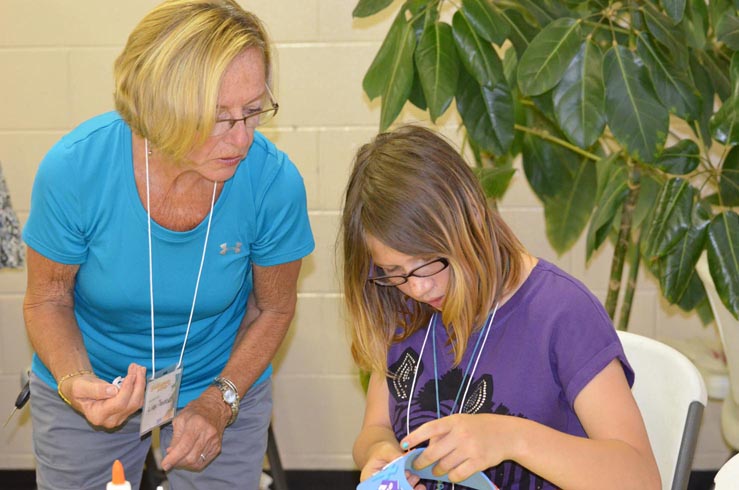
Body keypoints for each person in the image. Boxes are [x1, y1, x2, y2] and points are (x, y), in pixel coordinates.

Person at [22, 1, 314, 489]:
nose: (242, 138)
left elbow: (274, 309)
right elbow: (48, 299)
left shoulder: (272, 182)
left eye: (254, 111)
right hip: (93, 375)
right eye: (220, 117)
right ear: (160, 109)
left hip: (221, 377)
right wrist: (75, 383)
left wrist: (220, 401)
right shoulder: (75, 170)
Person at [340, 125, 660, 489]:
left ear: (473, 216)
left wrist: (513, 438)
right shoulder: (400, 304)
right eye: (393, 271)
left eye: (429, 260)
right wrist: (378, 452)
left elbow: (642, 479)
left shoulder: (561, 313)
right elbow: (376, 427)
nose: (418, 286)